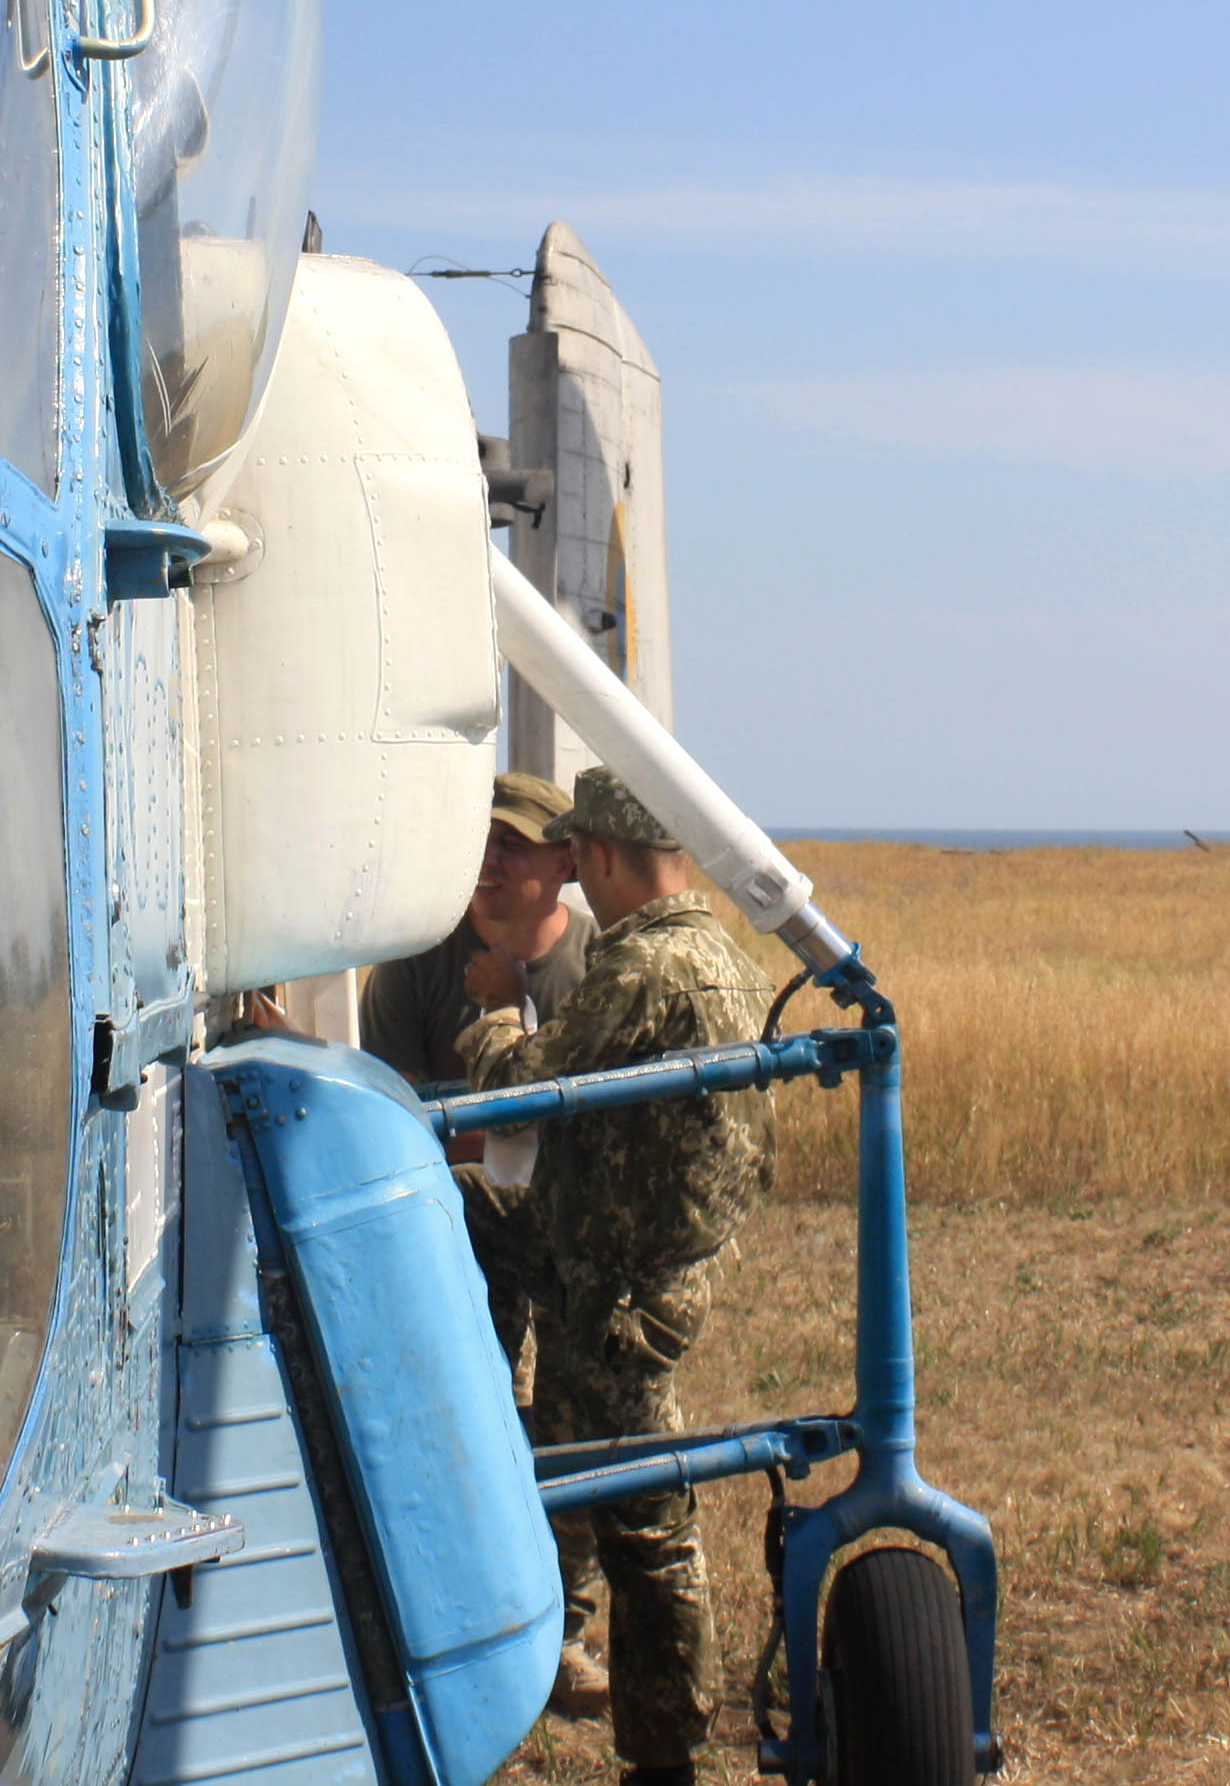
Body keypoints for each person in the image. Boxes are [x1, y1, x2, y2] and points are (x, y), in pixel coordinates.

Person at [455, 765, 778, 1786]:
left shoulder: (644, 968)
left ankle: (668, 1754)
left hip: (623, 1288)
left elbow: (520, 1092)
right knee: (470, 1210)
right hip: (633, 1262)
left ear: (593, 857)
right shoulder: (716, 953)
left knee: (650, 1524)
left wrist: (498, 1012)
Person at [360, 770, 593, 1093]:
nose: (487, 858)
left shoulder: (600, 957)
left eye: (512, 844)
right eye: (478, 839)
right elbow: (393, 1109)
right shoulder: (415, 959)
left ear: (564, 862)